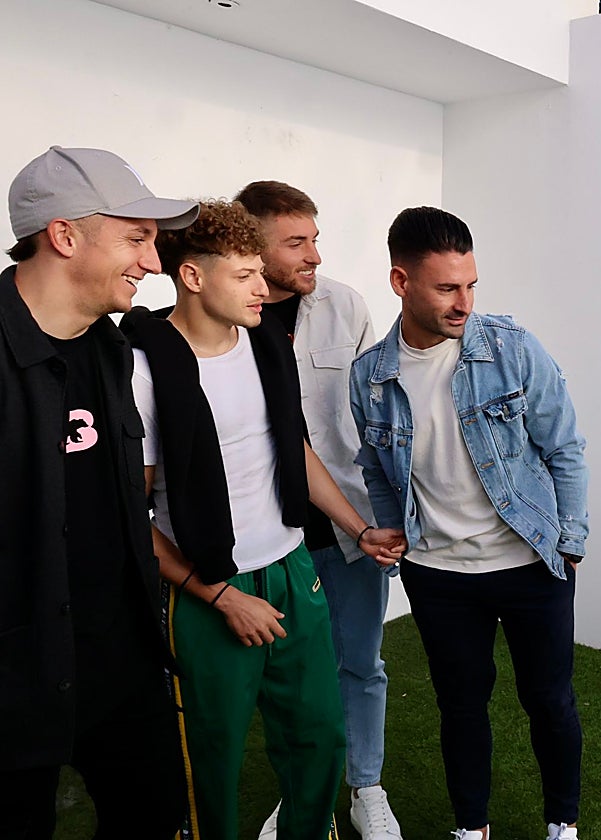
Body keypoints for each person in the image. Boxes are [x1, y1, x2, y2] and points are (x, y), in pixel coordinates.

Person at [128, 201, 404, 839]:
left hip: (293, 568)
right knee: (210, 763)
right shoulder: (144, 370)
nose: (264, 288)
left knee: (318, 742)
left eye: (263, 272)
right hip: (205, 592)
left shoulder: (265, 348)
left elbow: (295, 451)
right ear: (193, 277)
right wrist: (220, 595)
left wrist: (355, 528)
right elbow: (130, 514)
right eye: (246, 275)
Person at [350, 207, 588, 840]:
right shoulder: (371, 377)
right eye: (447, 287)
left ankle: (562, 824)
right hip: (438, 574)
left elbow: (564, 446)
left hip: (531, 561)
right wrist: (390, 524)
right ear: (401, 281)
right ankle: (470, 828)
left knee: (550, 701)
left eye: (471, 285)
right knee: (460, 706)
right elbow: (377, 467)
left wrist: (570, 544)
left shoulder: (511, 348)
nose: (465, 302)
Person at [0, 146, 197, 838]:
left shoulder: (112, 346)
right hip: (16, 681)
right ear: (63, 235)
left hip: (124, 663)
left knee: (153, 817)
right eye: (136, 238)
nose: (152, 261)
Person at [236, 180, 402, 838]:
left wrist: (382, 516)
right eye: (296, 242)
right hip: (265, 534)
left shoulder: (345, 305)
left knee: (360, 663)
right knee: (290, 680)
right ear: (252, 246)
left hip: (348, 526)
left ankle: (366, 786)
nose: (314, 256)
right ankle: (306, 791)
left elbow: (377, 418)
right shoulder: (223, 314)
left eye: (316, 239)